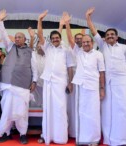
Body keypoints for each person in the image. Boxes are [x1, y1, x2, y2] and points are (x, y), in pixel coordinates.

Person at [86, 7, 126, 145]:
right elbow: (94, 31)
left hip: (122, 82)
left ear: (117, 37)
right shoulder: (103, 46)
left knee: (123, 110)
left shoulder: (125, 48)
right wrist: (88, 17)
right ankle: (108, 139)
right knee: (107, 111)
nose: (109, 36)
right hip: (107, 83)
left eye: (112, 35)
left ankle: (124, 140)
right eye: (107, 35)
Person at [63, 12, 105, 146]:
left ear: (92, 42)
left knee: (93, 113)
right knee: (81, 113)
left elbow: (102, 72)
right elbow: (70, 40)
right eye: (84, 42)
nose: (86, 43)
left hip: (93, 87)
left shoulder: (98, 54)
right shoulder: (78, 52)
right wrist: (67, 23)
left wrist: (102, 89)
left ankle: (94, 139)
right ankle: (82, 139)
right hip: (80, 86)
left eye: (88, 41)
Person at [0, 9, 37, 144]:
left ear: (25, 39)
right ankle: (5, 133)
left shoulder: (31, 51)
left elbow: (34, 67)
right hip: (8, 83)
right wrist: (0, 21)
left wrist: (34, 81)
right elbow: (3, 33)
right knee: (6, 110)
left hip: (23, 85)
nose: (18, 38)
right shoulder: (10, 47)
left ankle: (22, 134)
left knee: (22, 111)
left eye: (20, 37)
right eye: (16, 37)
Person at [37, 10, 75, 145]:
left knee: (60, 109)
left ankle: (60, 137)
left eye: (57, 38)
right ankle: (47, 135)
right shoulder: (48, 48)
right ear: (51, 40)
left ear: (60, 38)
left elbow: (70, 67)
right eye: (52, 38)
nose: (55, 40)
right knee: (48, 109)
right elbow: (40, 35)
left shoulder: (66, 50)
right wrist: (39, 20)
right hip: (48, 82)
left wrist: (70, 83)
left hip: (61, 83)